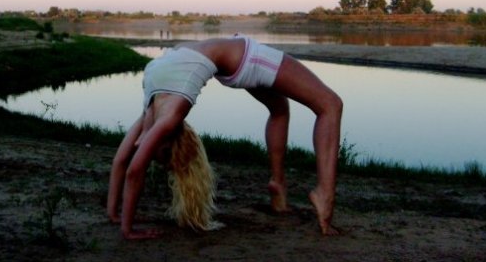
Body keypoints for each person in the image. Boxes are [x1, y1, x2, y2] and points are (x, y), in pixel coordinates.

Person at [107, 35, 343, 240]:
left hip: (231, 60)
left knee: (279, 109)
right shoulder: (166, 114)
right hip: (244, 58)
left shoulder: (151, 114)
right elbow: (133, 170)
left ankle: (278, 186)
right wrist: (127, 230)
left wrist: (114, 214)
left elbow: (123, 161)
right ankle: (324, 195)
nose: (149, 152)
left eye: (154, 153)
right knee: (330, 104)